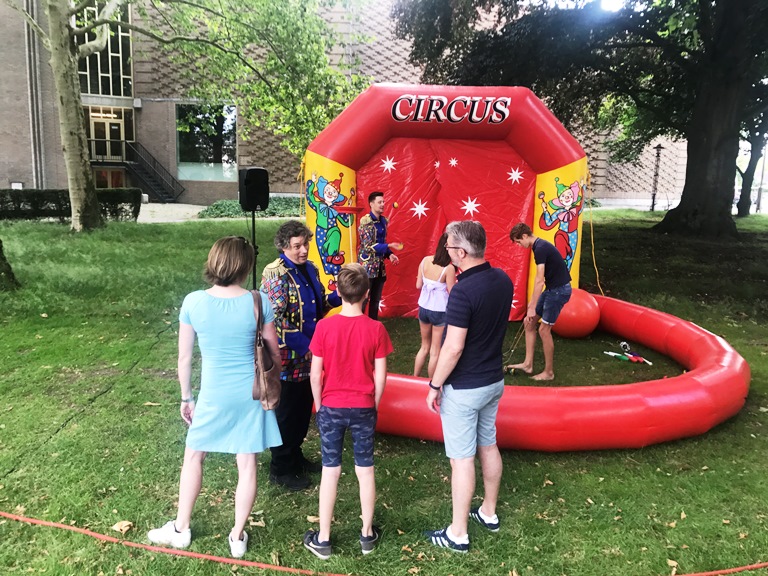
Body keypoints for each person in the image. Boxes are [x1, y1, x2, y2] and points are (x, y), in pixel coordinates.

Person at [148, 236, 282, 558]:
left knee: (194, 457)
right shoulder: (259, 300)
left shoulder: (194, 301)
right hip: (251, 393)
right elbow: (275, 352)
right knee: (247, 463)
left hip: (212, 395)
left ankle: (181, 528)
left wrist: (186, 397)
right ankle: (237, 537)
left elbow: (184, 359)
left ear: (215, 261)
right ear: (245, 265)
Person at [424, 221, 513, 553]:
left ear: (461, 252)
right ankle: (488, 512)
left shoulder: (463, 290)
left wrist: (435, 384)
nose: (446, 252)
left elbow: (453, 347)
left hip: (464, 388)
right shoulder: (502, 279)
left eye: (448, 248)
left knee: (462, 460)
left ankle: (457, 533)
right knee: (488, 445)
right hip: (493, 381)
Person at [303, 264, 393, 559]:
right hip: (364, 406)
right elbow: (381, 376)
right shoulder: (376, 328)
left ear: (337, 292)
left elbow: (316, 375)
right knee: (365, 470)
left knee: (331, 471)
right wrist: (374, 403)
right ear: (368, 294)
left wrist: (320, 404)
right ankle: (367, 534)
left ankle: (324, 538)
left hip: (331, 407)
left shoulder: (324, 327)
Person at [261, 221, 341, 491]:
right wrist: (309, 345)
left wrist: (338, 297)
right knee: (286, 412)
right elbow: (273, 318)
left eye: (305, 244)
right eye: (297, 246)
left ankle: (295, 456)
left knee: (302, 409)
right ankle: (280, 467)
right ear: (284, 247)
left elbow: (318, 307)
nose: (304, 250)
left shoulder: (311, 269)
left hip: (310, 354)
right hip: (287, 356)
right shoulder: (275, 273)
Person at [508, 222, 572, 381]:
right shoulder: (538, 246)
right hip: (552, 289)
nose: (519, 245)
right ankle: (528, 364)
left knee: (544, 330)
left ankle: (548, 373)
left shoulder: (541, 248)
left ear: (524, 236)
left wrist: (531, 307)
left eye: (518, 241)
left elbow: (539, 280)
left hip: (559, 291)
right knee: (529, 323)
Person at [413, 232, 456, 378]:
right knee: (435, 350)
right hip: (440, 311)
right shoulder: (449, 268)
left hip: (423, 308)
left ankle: (414, 377)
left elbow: (418, 285)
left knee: (424, 347)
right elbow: (452, 292)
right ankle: (431, 382)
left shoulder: (425, 260)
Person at [358, 191, 401, 320]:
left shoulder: (383, 221)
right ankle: (358, 324)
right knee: (363, 298)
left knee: (375, 300)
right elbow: (368, 246)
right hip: (367, 267)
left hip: (379, 267)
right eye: (379, 202)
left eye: (383, 202)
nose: (383, 204)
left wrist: (390, 254)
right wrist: (389, 246)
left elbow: (381, 243)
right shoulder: (366, 222)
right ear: (371, 204)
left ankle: (372, 323)